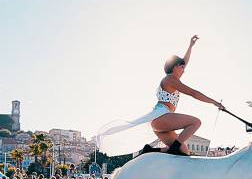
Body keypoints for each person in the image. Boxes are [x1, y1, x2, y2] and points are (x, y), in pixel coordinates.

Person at [95, 35, 225, 156]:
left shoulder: (172, 78)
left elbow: (184, 62)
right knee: (196, 122)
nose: (183, 69)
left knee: (184, 152)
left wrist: (190, 46)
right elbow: (193, 93)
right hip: (162, 117)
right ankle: (172, 149)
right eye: (181, 67)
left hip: (160, 122)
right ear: (175, 67)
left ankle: (150, 151)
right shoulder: (170, 79)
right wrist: (214, 102)